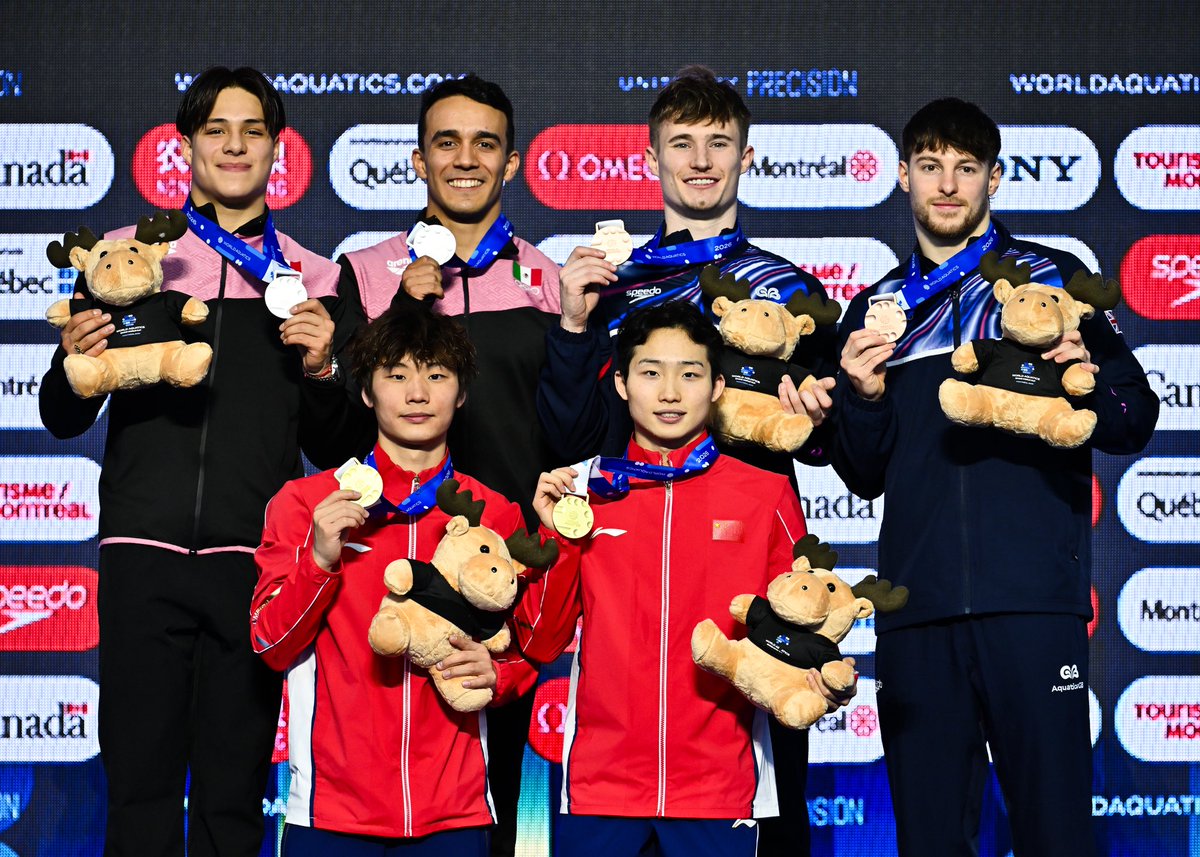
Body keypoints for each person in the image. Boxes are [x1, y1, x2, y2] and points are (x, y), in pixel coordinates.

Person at [832, 98, 1159, 857]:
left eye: (967, 168)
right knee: (931, 842)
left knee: (1058, 837)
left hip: (1033, 611)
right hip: (919, 621)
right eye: (932, 166)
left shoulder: (1057, 281)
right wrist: (865, 399)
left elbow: (1133, 413)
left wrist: (1083, 377)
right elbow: (862, 472)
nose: (948, 185)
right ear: (903, 176)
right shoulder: (876, 311)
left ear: (996, 180)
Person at [38, 66, 349, 856]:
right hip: (143, 555)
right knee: (138, 794)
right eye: (217, 129)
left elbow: (336, 445)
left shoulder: (314, 276)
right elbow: (60, 412)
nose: (235, 145)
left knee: (232, 798)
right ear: (186, 146)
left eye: (253, 130)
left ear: (278, 147)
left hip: (253, 563)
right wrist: (66, 358)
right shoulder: (123, 263)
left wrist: (322, 369)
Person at [535, 64, 837, 855]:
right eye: (681, 145)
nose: (700, 161)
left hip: (749, 580)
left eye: (718, 144)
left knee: (773, 800)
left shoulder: (791, 293)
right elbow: (571, 440)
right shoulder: (612, 287)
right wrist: (571, 328)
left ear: (746, 156)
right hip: (629, 573)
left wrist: (845, 409)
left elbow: (843, 446)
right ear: (650, 159)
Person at [326, 74, 561, 856]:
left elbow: (575, 429)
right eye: (447, 143)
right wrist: (400, 311)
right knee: (382, 788)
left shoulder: (547, 281)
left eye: (485, 143)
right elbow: (328, 429)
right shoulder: (363, 272)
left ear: (514, 162)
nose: (466, 159)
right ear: (419, 161)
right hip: (388, 574)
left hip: (508, 577)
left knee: (497, 801)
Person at [516, 300, 832, 857]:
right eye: (650, 372)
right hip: (600, 786)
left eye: (689, 374)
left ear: (716, 387)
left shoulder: (765, 494)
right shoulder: (583, 494)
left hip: (721, 786)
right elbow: (541, 639)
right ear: (620, 384)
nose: (669, 393)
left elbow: (800, 634)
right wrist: (556, 541)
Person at [252, 308, 542, 856]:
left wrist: (500, 675)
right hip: (331, 810)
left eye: (436, 376)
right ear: (365, 392)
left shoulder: (496, 515)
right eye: (395, 374)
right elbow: (269, 644)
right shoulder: (307, 504)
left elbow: (528, 646)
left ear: (461, 394)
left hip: (455, 813)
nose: (417, 394)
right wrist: (319, 559)